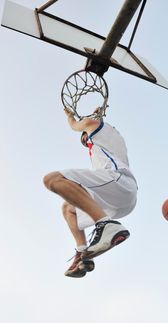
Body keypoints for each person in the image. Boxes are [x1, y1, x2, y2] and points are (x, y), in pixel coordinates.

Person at [43, 108, 137, 278]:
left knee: (52, 180)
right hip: (119, 197)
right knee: (68, 208)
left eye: (85, 138)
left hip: (118, 181)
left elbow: (79, 125)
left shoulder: (98, 127)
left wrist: (70, 117)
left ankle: (106, 225)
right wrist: (97, 115)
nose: (85, 140)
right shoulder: (102, 143)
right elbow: (94, 127)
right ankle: (83, 253)